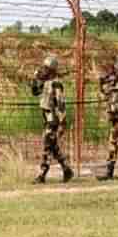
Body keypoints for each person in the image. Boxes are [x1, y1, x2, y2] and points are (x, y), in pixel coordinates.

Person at [30, 55, 74, 184]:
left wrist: (62, 122)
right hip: (47, 118)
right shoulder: (45, 82)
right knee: (53, 147)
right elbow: (35, 92)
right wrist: (35, 79)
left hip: (53, 119)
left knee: (47, 145)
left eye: (46, 68)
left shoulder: (56, 83)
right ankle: (67, 170)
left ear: (52, 70)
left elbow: (61, 104)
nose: (44, 70)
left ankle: (42, 174)